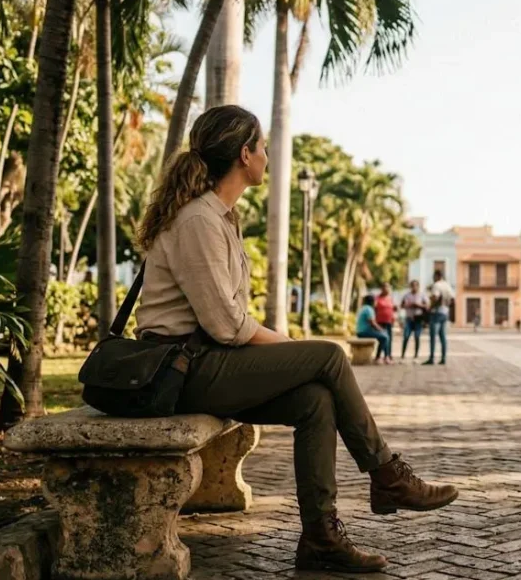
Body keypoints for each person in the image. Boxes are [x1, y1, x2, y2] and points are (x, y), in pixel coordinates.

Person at [132, 106, 455, 573]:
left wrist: (283, 347)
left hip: (207, 362)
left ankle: (321, 538)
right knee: (328, 355)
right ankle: (387, 474)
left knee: (315, 401)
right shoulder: (199, 220)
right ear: (245, 155)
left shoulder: (219, 217)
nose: (267, 154)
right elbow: (227, 325)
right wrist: (288, 345)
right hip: (183, 369)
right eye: (262, 146)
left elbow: (228, 322)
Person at [426, 270, 453, 365]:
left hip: (436, 312)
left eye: (434, 276)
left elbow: (436, 297)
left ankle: (432, 358)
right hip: (445, 312)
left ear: (437, 276)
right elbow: (452, 300)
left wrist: (430, 305)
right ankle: (443, 358)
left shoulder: (436, 285)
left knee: (433, 336)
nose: (433, 278)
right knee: (443, 337)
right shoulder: (448, 285)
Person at [356, 295, 392, 361]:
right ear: (372, 302)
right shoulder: (369, 309)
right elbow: (372, 323)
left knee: (384, 336)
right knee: (385, 337)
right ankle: (382, 357)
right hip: (364, 332)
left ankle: (385, 357)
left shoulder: (363, 308)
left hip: (361, 331)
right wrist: (381, 329)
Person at [399, 280, 428, 359]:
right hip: (409, 319)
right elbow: (401, 305)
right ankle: (403, 354)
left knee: (417, 337)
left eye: (416, 285)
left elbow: (427, 306)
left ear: (418, 286)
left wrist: (418, 305)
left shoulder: (422, 295)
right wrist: (409, 305)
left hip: (418, 319)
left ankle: (416, 354)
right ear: (410, 286)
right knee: (406, 336)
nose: (414, 287)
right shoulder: (406, 295)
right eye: (412, 285)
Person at [373, 284, 396, 364]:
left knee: (389, 340)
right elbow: (374, 309)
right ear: (382, 289)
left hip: (389, 322)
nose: (387, 289)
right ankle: (379, 356)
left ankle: (388, 356)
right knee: (383, 339)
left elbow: (392, 310)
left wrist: (393, 319)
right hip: (380, 322)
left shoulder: (390, 298)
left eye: (388, 288)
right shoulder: (377, 298)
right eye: (385, 287)